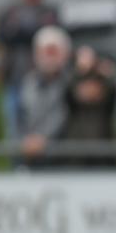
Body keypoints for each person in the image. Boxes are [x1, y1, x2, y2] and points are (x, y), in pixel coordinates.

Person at [0, 0, 60, 140]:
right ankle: (16, 166)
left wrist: (22, 30)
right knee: (14, 131)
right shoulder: (9, 11)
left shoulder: (50, 11)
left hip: (44, 85)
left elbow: (52, 36)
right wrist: (33, 30)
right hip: (14, 81)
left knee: (44, 132)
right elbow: (3, 35)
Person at [17, 25, 72, 163]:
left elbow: (63, 114)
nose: (49, 58)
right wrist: (26, 140)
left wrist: (42, 139)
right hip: (30, 154)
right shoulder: (27, 83)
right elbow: (20, 116)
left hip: (62, 157)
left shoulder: (71, 83)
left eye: (53, 52)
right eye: (45, 52)